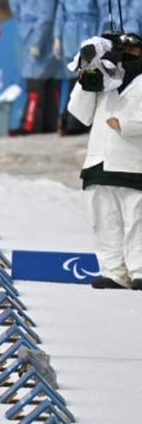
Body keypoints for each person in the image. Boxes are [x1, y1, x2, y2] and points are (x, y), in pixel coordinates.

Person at [66, 33, 142, 290]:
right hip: (98, 162)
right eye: (124, 48)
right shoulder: (105, 77)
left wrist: (125, 125)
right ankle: (113, 272)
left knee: (137, 221)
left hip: (133, 163)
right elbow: (80, 113)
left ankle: (139, 270)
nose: (128, 54)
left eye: (134, 49)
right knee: (103, 221)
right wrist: (88, 70)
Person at [9, 0, 65, 136]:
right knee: (51, 84)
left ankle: (30, 124)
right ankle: (49, 124)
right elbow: (15, 5)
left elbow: (46, 16)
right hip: (50, 39)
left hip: (39, 40)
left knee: (35, 85)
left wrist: (36, 42)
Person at [56, 0, 106, 136]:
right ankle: (69, 119)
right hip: (70, 35)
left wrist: (99, 38)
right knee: (71, 79)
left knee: (89, 77)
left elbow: (103, 11)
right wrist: (57, 37)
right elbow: (60, 12)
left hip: (88, 32)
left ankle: (81, 122)